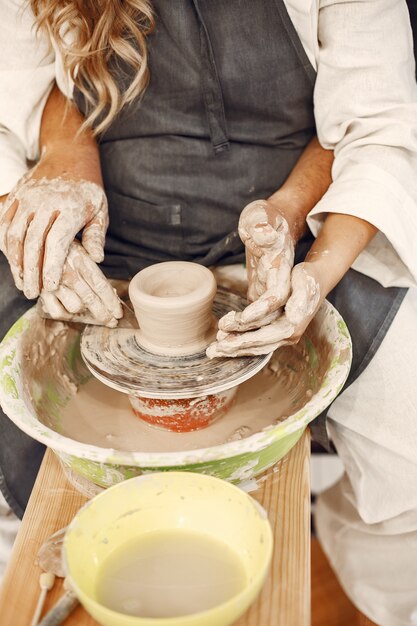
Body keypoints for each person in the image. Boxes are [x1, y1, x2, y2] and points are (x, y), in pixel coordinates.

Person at [1, 1, 417, 623]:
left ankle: (376, 594)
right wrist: (61, 158)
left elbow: (373, 128)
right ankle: (35, 567)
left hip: (283, 233)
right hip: (103, 231)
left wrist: (303, 247)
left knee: (407, 427)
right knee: (27, 443)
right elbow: (19, 94)